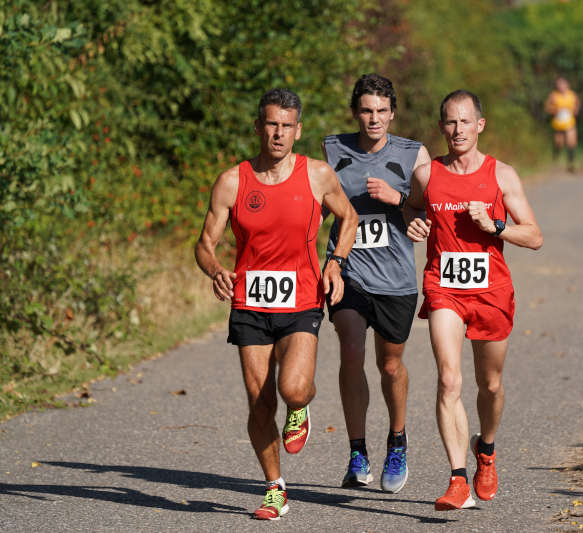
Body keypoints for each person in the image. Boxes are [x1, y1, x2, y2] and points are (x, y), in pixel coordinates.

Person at [194, 88, 357, 520]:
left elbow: (349, 216)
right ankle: (274, 487)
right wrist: (216, 271)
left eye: (287, 126)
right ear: (258, 127)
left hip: (302, 298)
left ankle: (301, 408)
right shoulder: (233, 180)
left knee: (292, 389)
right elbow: (205, 243)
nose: (278, 133)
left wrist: (336, 263)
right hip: (249, 302)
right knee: (259, 401)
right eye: (271, 124)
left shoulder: (316, 175)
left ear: (298, 130)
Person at [404, 90, 543, 510]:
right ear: (441, 126)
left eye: (465, 122)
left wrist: (495, 224)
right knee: (449, 379)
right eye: (449, 122)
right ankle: (457, 478)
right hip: (443, 287)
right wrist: (414, 223)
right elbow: (411, 209)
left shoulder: (502, 175)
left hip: (491, 292)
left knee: (491, 384)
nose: (457, 130)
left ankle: (487, 449)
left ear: (480, 125)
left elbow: (534, 236)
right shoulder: (427, 174)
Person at [322, 74, 430, 493]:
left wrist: (398, 201)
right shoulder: (332, 149)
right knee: (350, 351)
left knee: (390, 365)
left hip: (396, 278)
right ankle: (357, 451)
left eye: (382, 111)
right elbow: (318, 207)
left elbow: (427, 213)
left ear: (392, 112)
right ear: (355, 112)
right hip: (348, 269)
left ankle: (397, 440)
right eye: (366, 110)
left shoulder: (413, 153)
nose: (374, 119)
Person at [545, 77, 580, 172]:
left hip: (569, 123)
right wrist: (555, 110)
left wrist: (575, 110)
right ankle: (555, 157)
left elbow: (577, 105)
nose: (561, 86)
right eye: (559, 84)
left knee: (571, 143)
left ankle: (571, 164)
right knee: (558, 144)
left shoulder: (572, 95)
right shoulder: (554, 95)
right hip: (558, 124)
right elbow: (547, 108)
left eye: (563, 84)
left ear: (567, 85)